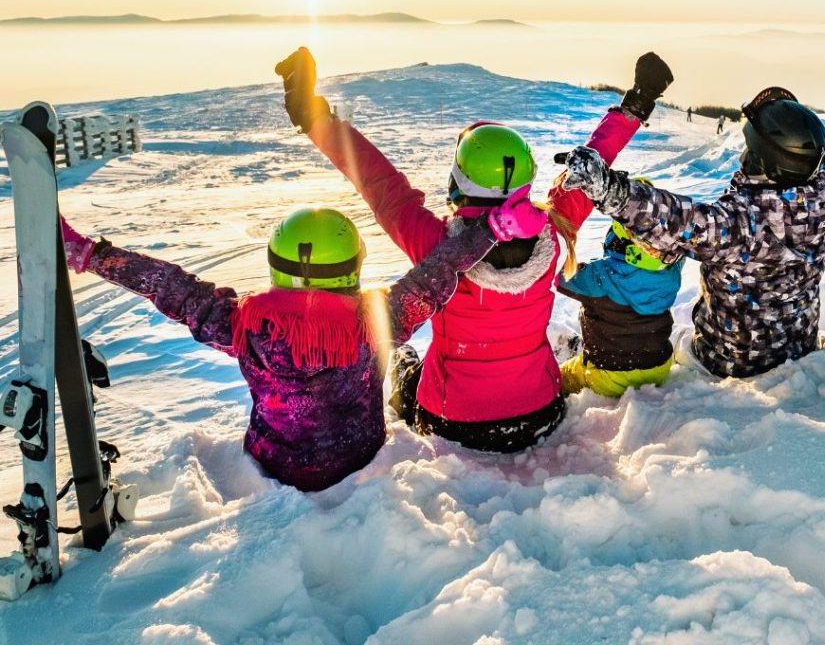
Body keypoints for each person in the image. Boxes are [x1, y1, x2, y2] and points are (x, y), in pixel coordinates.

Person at [275, 47, 673, 452]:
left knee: (405, 365)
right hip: (540, 412)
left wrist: (314, 118)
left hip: (453, 422)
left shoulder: (436, 246)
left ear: (458, 180)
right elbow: (591, 167)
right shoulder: (553, 233)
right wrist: (636, 103)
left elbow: (379, 182)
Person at [59, 189, 546, 490]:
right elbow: (438, 273)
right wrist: (492, 229)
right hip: (360, 456)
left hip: (276, 466)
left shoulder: (244, 324)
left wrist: (92, 255)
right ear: (353, 268)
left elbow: (172, 287)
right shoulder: (377, 321)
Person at [558, 56, 825, 378]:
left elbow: (671, 219)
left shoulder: (740, 223)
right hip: (799, 349)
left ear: (763, 159)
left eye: (750, 148)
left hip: (726, 363)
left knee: (672, 349)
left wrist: (606, 187)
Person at [558, 178, 684, 398]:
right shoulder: (670, 271)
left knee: (562, 376)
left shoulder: (599, 276)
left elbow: (559, 277)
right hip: (659, 367)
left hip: (610, 375)